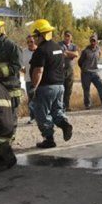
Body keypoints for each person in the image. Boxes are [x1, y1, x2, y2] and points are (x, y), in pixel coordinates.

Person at [29, 19, 73, 149]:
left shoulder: (40, 50)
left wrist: (33, 87)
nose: (34, 39)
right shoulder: (58, 48)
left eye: (35, 36)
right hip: (59, 86)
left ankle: (49, 139)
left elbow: (38, 71)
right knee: (56, 111)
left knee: (41, 114)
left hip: (45, 88)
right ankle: (65, 125)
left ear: (41, 35)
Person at [78, 34, 102, 109]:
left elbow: (98, 58)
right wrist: (84, 69)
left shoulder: (98, 50)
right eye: (91, 41)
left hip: (94, 72)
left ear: (96, 41)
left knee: (101, 86)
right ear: (90, 41)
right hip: (86, 73)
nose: (93, 42)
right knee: (86, 90)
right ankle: (88, 105)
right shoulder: (85, 51)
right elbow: (79, 62)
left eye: (94, 41)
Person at [58, 30, 79, 111]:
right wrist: (71, 54)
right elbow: (62, 54)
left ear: (71, 37)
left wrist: (67, 53)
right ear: (64, 36)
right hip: (61, 70)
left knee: (69, 89)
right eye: (66, 35)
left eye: (68, 36)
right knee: (61, 89)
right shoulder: (60, 44)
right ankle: (60, 107)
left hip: (71, 70)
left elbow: (76, 54)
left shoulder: (74, 45)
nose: (67, 37)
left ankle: (67, 106)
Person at [20, 35, 37, 124]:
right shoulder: (24, 52)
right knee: (31, 99)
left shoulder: (39, 51)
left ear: (35, 42)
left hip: (39, 79)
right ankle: (32, 117)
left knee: (40, 98)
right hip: (28, 79)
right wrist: (23, 70)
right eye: (28, 42)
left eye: (32, 41)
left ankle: (42, 117)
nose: (30, 43)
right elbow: (19, 64)